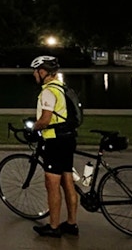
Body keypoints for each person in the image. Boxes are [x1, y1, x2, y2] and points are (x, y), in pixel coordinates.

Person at [29, 55, 79, 238]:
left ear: (43, 72)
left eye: (35, 71)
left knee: (52, 183)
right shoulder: (62, 88)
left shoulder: (48, 92)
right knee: (68, 181)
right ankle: (72, 223)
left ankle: (54, 226)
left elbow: (46, 119)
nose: (34, 75)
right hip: (68, 138)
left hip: (55, 141)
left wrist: (34, 127)